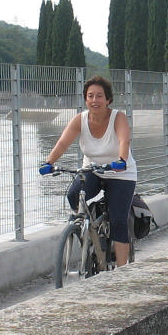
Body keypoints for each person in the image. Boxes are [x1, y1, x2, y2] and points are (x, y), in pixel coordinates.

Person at [39, 75, 137, 266]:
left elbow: (124, 141)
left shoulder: (117, 117)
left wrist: (122, 160)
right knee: (73, 194)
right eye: (90, 96)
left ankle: (122, 271)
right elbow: (63, 143)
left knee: (118, 221)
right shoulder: (80, 120)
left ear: (108, 99)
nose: (94, 100)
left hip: (120, 173)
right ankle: (90, 233)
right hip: (93, 169)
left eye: (99, 96)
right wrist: (49, 162)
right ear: (85, 99)